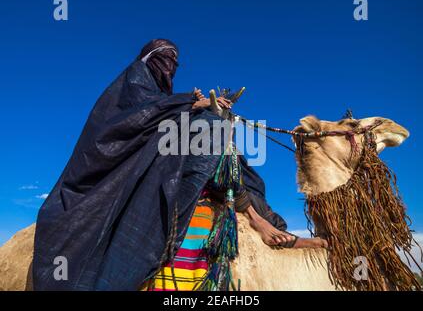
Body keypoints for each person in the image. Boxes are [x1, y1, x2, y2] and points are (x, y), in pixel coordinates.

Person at [33, 39, 326, 291]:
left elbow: (165, 117)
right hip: (132, 165)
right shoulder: (132, 83)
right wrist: (191, 105)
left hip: (163, 151)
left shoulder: (163, 100)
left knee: (229, 149)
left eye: (175, 59)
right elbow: (138, 119)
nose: (170, 63)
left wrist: (204, 111)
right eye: (164, 57)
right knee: (211, 128)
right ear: (148, 58)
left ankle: (263, 220)